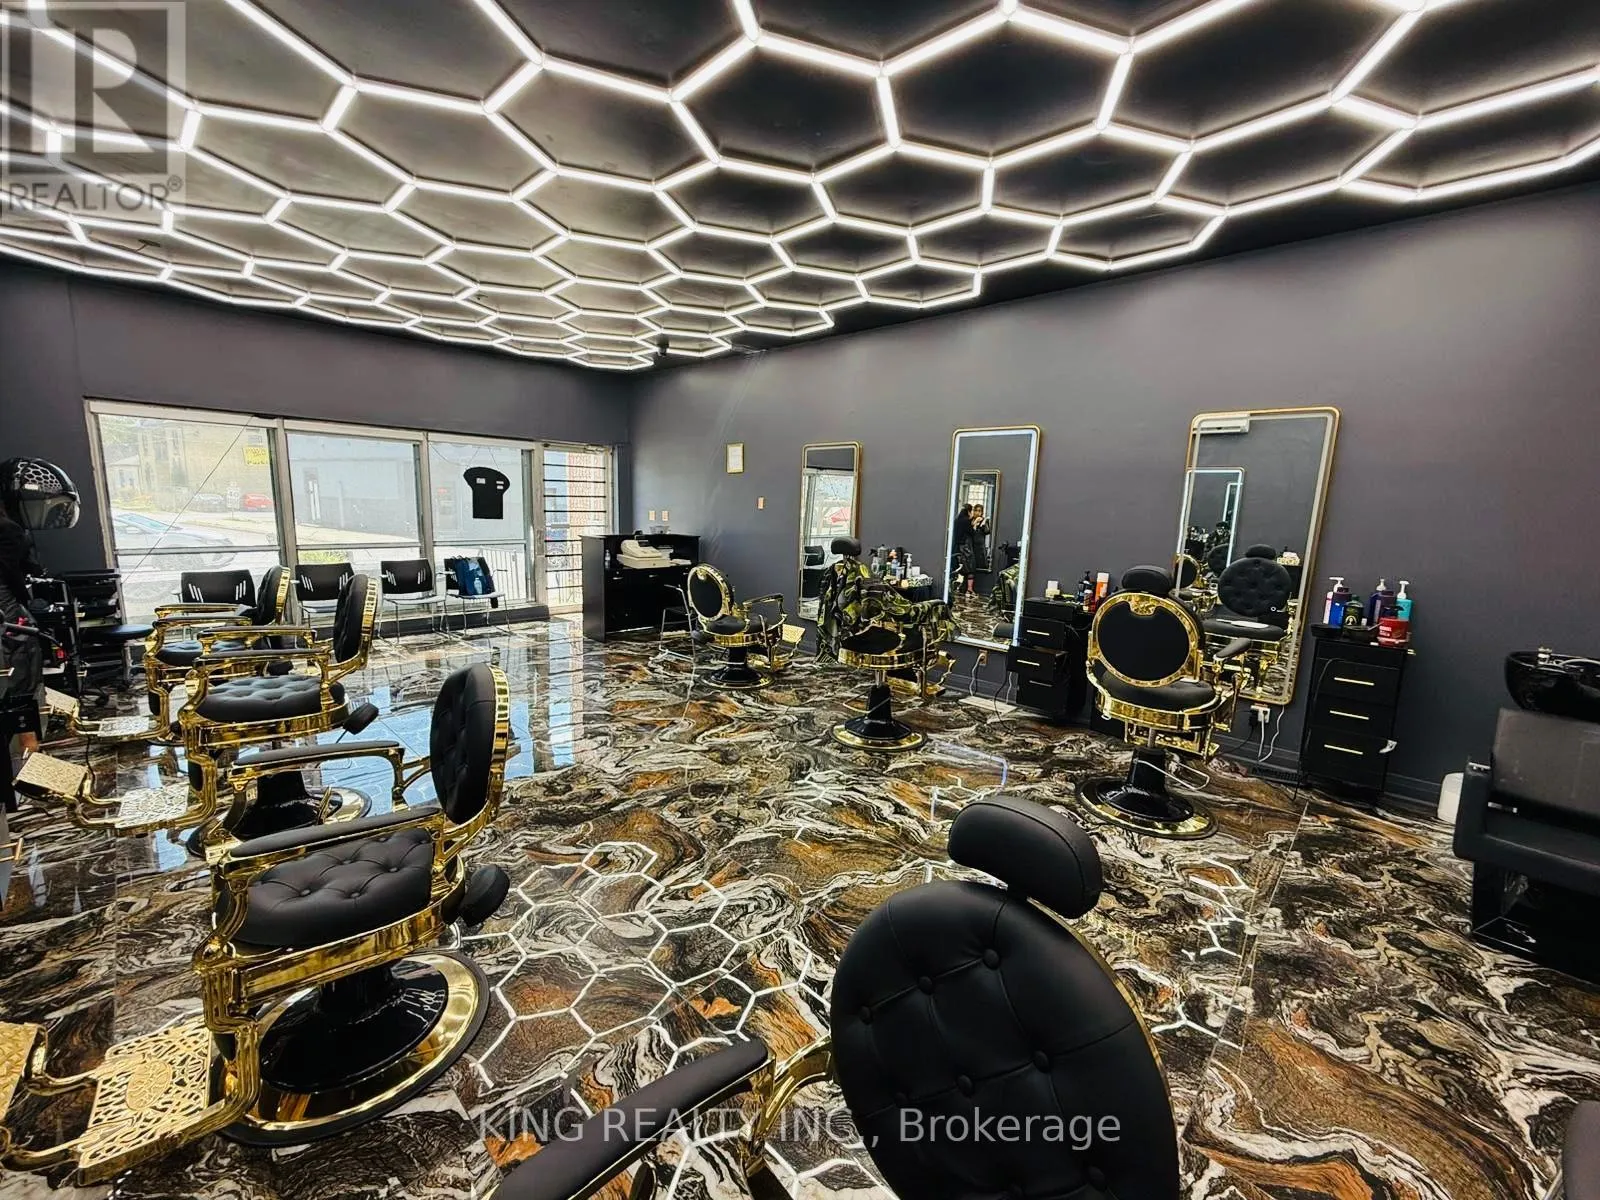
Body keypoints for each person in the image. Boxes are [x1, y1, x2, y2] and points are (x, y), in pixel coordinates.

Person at [967, 504, 992, 593]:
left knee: (980, 565)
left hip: (980, 546)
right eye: (975, 510)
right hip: (971, 546)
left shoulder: (984, 521)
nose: (977, 513)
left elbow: (987, 531)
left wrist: (983, 523)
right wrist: (974, 523)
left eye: (979, 511)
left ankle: (979, 587)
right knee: (970, 566)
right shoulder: (970, 520)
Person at [951, 503, 974, 588]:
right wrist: (974, 523)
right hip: (965, 547)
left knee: (959, 567)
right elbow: (972, 532)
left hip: (956, 547)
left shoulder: (956, 520)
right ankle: (969, 588)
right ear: (969, 511)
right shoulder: (966, 521)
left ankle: (957, 585)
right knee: (969, 568)